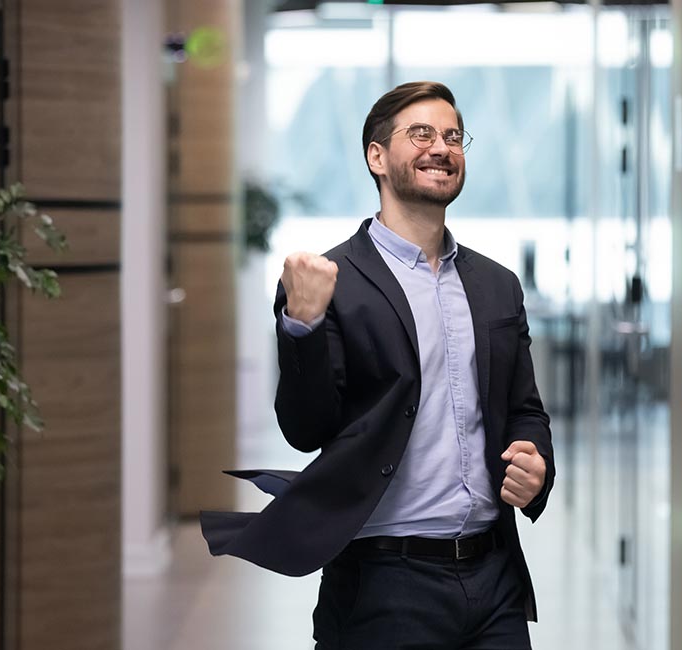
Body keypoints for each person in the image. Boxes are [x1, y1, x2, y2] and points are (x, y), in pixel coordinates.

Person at [201, 81, 555, 650]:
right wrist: (303, 325)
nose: (441, 147)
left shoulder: (496, 285)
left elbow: (524, 410)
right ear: (377, 157)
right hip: (384, 584)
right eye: (421, 134)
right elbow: (306, 427)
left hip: (495, 581)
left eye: (453, 136)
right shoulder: (328, 281)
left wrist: (537, 463)